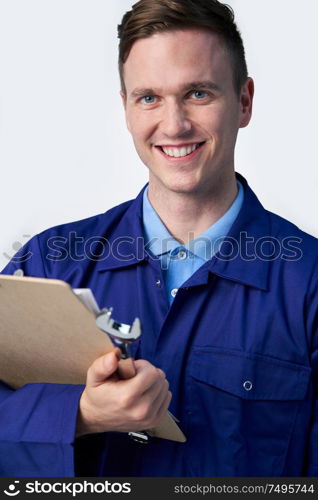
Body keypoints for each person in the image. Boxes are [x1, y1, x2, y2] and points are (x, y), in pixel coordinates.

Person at [1, 0, 317, 477]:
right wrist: (82, 415)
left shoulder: (310, 282)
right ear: (126, 109)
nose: (173, 125)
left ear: (245, 101)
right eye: (149, 97)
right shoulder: (49, 263)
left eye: (198, 94)